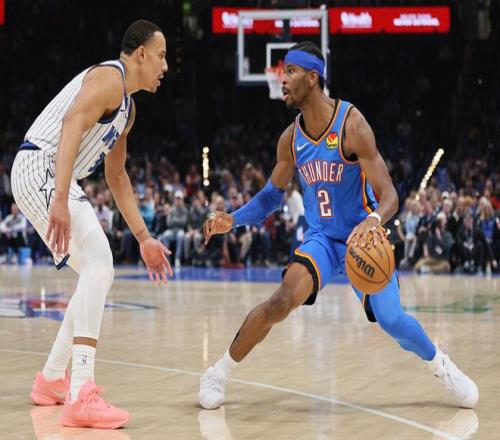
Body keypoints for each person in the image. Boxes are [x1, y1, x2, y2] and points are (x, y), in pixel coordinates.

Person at [198, 42, 478, 410]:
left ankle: (440, 365)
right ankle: (217, 373)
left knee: (392, 320)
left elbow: (390, 195)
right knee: (280, 302)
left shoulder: (352, 125)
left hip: (362, 238)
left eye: (291, 72)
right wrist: (232, 219)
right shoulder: (290, 139)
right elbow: (270, 197)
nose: (283, 79)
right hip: (322, 240)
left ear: (313, 78)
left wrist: (374, 221)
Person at [10, 20, 172, 429]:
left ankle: (51, 379)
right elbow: (70, 125)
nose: (165, 66)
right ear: (140, 54)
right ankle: (81, 392)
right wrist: (60, 198)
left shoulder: (127, 109)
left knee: (94, 276)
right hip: (41, 167)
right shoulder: (109, 79)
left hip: (52, 176)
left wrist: (144, 237)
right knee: (100, 265)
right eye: (161, 55)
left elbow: (116, 176)